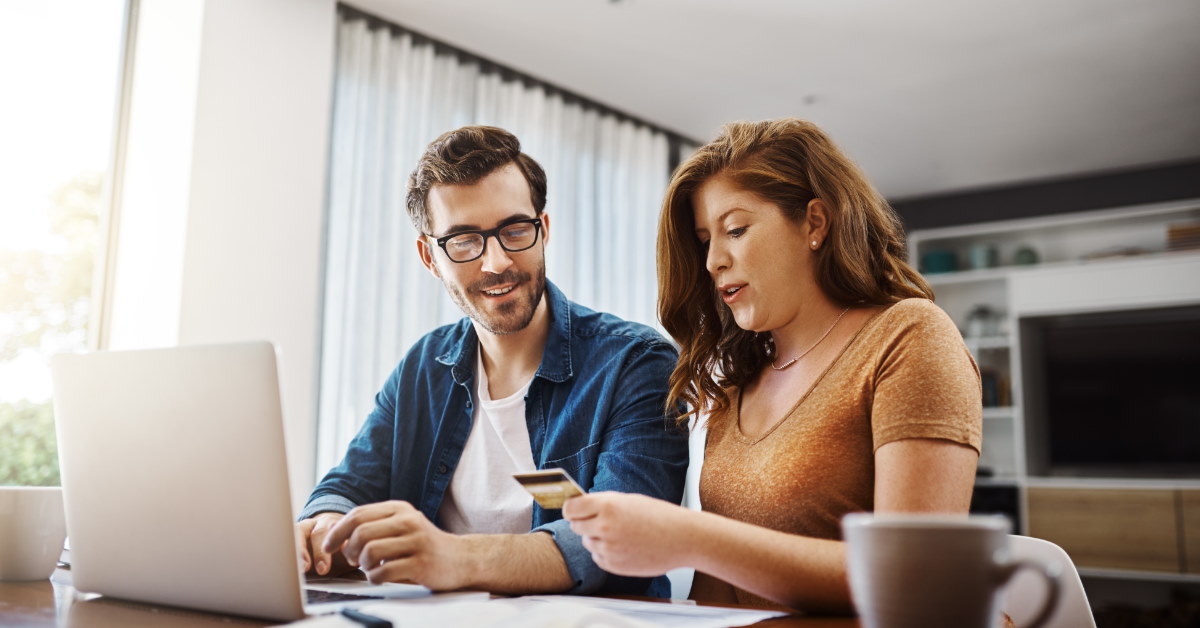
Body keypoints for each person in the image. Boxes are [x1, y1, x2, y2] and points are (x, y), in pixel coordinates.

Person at [563, 118, 982, 612]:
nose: (713, 260)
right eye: (704, 241)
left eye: (735, 229)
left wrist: (691, 536)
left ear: (815, 223)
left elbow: (915, 579)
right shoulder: (741, 379)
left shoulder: (908, 335)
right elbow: (718, 595)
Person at [296, 125, 688, 597]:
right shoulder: (423, 367)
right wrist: (323, 529)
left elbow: (621, 540)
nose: (496, 262)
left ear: (543, 231)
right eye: (463, 241)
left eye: (514, 230)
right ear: (429, 257)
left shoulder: (635, 363)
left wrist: (450, 557)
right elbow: (347, 487)